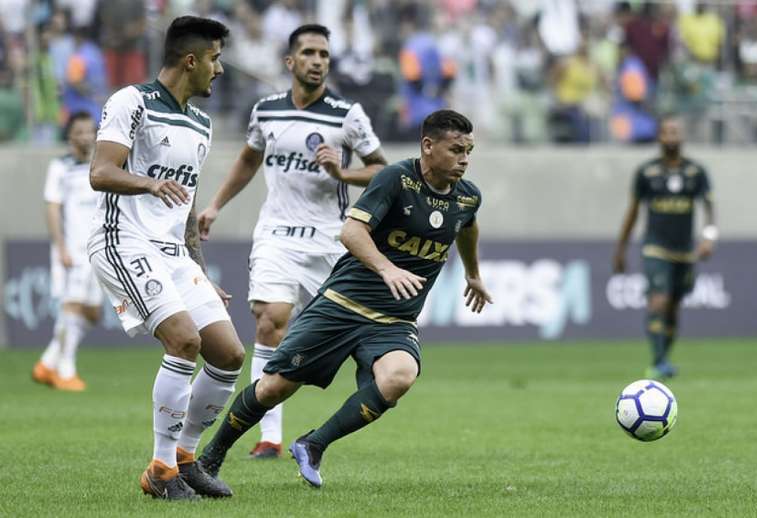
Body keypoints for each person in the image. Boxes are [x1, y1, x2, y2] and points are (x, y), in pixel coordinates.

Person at [197, 109, 492, 489]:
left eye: (469, 151)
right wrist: (387, 269)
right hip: (342, 306)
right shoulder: (395, 179)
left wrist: (473, 274)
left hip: (394, 321)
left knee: (400, 376)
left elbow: (466, 227)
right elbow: (351, 233)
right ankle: (210, 458)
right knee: (275, 388)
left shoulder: (468, 197)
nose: (464, 159)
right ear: (428, 146)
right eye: (456, 150)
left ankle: (314, 443)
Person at [197, 23, 387, 460]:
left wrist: (342, 174)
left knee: (314, 338)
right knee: (271, 318)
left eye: (324, 54)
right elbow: (249, 158)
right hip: (277, 234)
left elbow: (381, 169)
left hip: (331, 239)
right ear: (290, 61)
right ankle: (269, 434)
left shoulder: (347, 114)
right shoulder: (266, 111)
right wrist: (215, 205)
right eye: (309, 53)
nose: (318, 61)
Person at [87, 16, 244, 500]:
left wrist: (196, 269)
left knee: (229, 355)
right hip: (122, 240)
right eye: (215, 59)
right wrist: (149, 182)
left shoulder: (201, 123)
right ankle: (160, 469)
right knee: (184, 340)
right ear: (191, 60)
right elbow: (100, 171)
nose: (220, 70)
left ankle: (185, 457)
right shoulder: (131, 101)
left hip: (172, 251)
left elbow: (186, 201)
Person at [613, 115, 716, 379]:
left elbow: (709, 208)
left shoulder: (696, 172)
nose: (671, 137)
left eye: (675, 132)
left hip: (684, 251)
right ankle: (658, 362)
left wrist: (708, 237)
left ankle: (663, 358)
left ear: (682, 137)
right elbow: (633, 212)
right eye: (667, 132)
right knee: (658, 301)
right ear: (659, 137)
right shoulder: (646, 172)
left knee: (672, 308)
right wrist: (621, 249)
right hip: (655, 248)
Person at [33, 112, 101, 391]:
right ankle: (65, 369)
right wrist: (60, 247)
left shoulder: (101, 166)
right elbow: (52, 207)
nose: (86, 136)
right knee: (71, 305)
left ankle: (47, 363)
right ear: (70, 136)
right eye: (80, 131)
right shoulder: (60, 166)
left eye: (90, 131)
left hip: (97, 250)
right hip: (71, 249)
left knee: (93, 312)